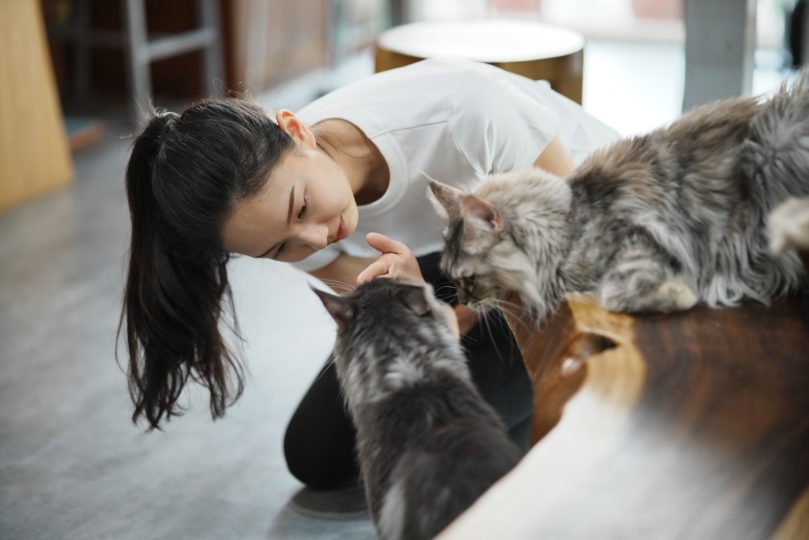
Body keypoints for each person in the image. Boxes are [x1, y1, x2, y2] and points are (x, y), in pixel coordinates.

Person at [120, 57, 619, 490]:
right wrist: (420, 303)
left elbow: (570, 245)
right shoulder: (281, 218)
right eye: (279, 249)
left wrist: (452, 315)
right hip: (451, 263)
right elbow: (362, 283)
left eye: (302, 208)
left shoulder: (464, 112)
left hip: (572, 253)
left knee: (456, 464)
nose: (313, 241)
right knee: (314, 454)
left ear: (297, 131)